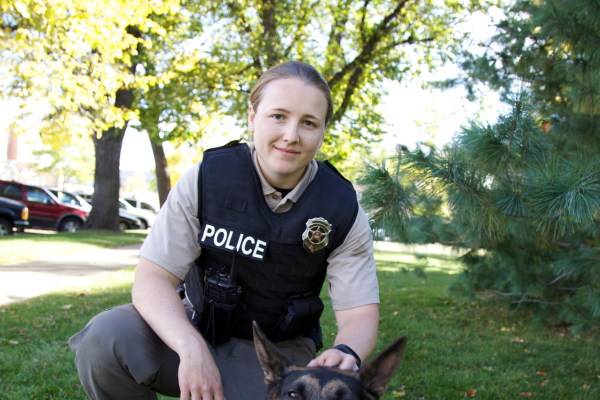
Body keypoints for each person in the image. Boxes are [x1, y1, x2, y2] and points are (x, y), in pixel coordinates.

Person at [70, 61, 380, 400]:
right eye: (278, 116)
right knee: (106, 338)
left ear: (322, 132)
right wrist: (189, 346)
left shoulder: (341, 207)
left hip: (280, 356)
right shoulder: (206, 179)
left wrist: (348, 351)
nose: (291, 135)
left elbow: (360, 313)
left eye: (308, 123)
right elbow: (152, 279)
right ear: (252, 117)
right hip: (193, 329)